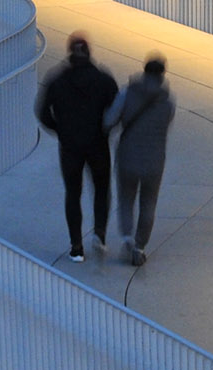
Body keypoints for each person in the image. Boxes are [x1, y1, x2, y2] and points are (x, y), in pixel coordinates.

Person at [36, 32, 119, 263]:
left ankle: (76, 247)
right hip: (98, 144)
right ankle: (100, 235)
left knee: (73, 194)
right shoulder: (104, 80)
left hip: (70, 147)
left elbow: (42, 112)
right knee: (101, 190)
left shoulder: (57, 80)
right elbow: (116, 111)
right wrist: (106, 130)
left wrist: (60, 130)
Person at [104, 55, 177, 267]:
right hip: (154, 160)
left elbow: (110, 120)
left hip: (128, 155)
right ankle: (139, 246)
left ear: (144, 71)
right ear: (163, 74)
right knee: (149, 203)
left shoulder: (127, 93)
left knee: (126, 199)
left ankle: (127, 237)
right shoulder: (168, 101)